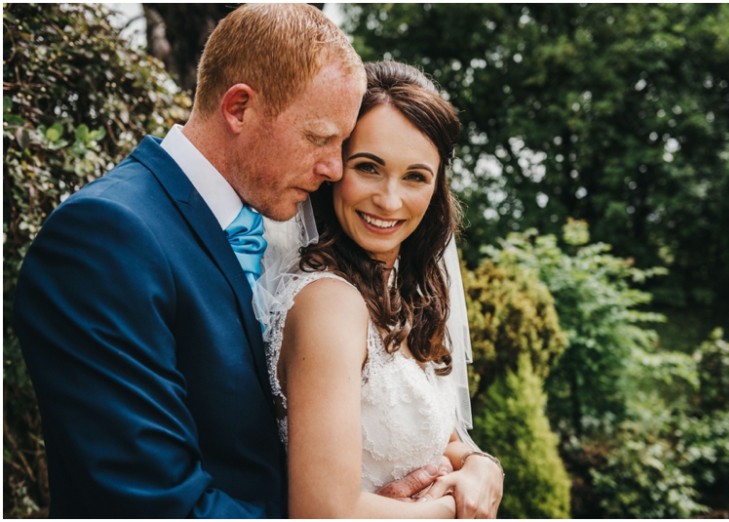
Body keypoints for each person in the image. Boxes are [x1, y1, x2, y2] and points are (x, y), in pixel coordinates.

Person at [13, 4, 366, 517]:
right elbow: (152, 502)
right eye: (319, 137)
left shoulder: (282, 226)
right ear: (239, 108)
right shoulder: (103, 237)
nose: (334, 168)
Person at [261, 60, 504, 518]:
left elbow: (438, 434)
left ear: (436, 188)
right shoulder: (329, 304)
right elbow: (323, 513)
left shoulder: (397, 294)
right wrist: (452, 508)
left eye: (415, 176)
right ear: (335, 167)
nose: (390, 201)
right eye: (369, 168)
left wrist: (480, 466)